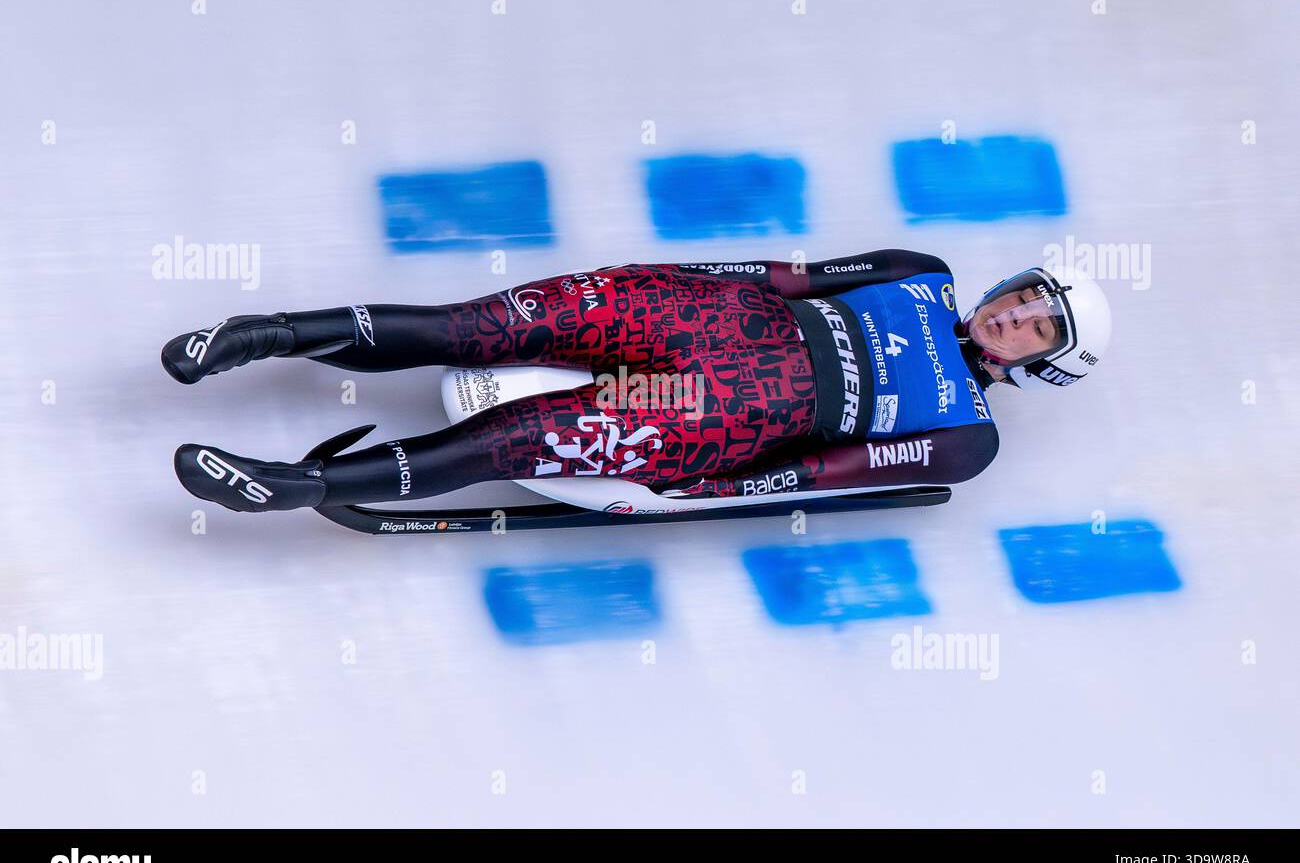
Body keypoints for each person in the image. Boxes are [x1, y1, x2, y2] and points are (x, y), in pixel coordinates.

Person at [162, 251, 1111, 513]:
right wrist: (676, 276)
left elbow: (834, 473)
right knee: (475, 327)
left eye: (1038, 324)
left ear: (1044, 362)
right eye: (1025, 294)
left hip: (725, 406)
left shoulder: (969, 433)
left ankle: (303, 484)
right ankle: (263, 335)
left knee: (519, 440)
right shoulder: (921, 268)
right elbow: (788, 276)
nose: (1016, 312)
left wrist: (717, 489)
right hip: (706, 315)